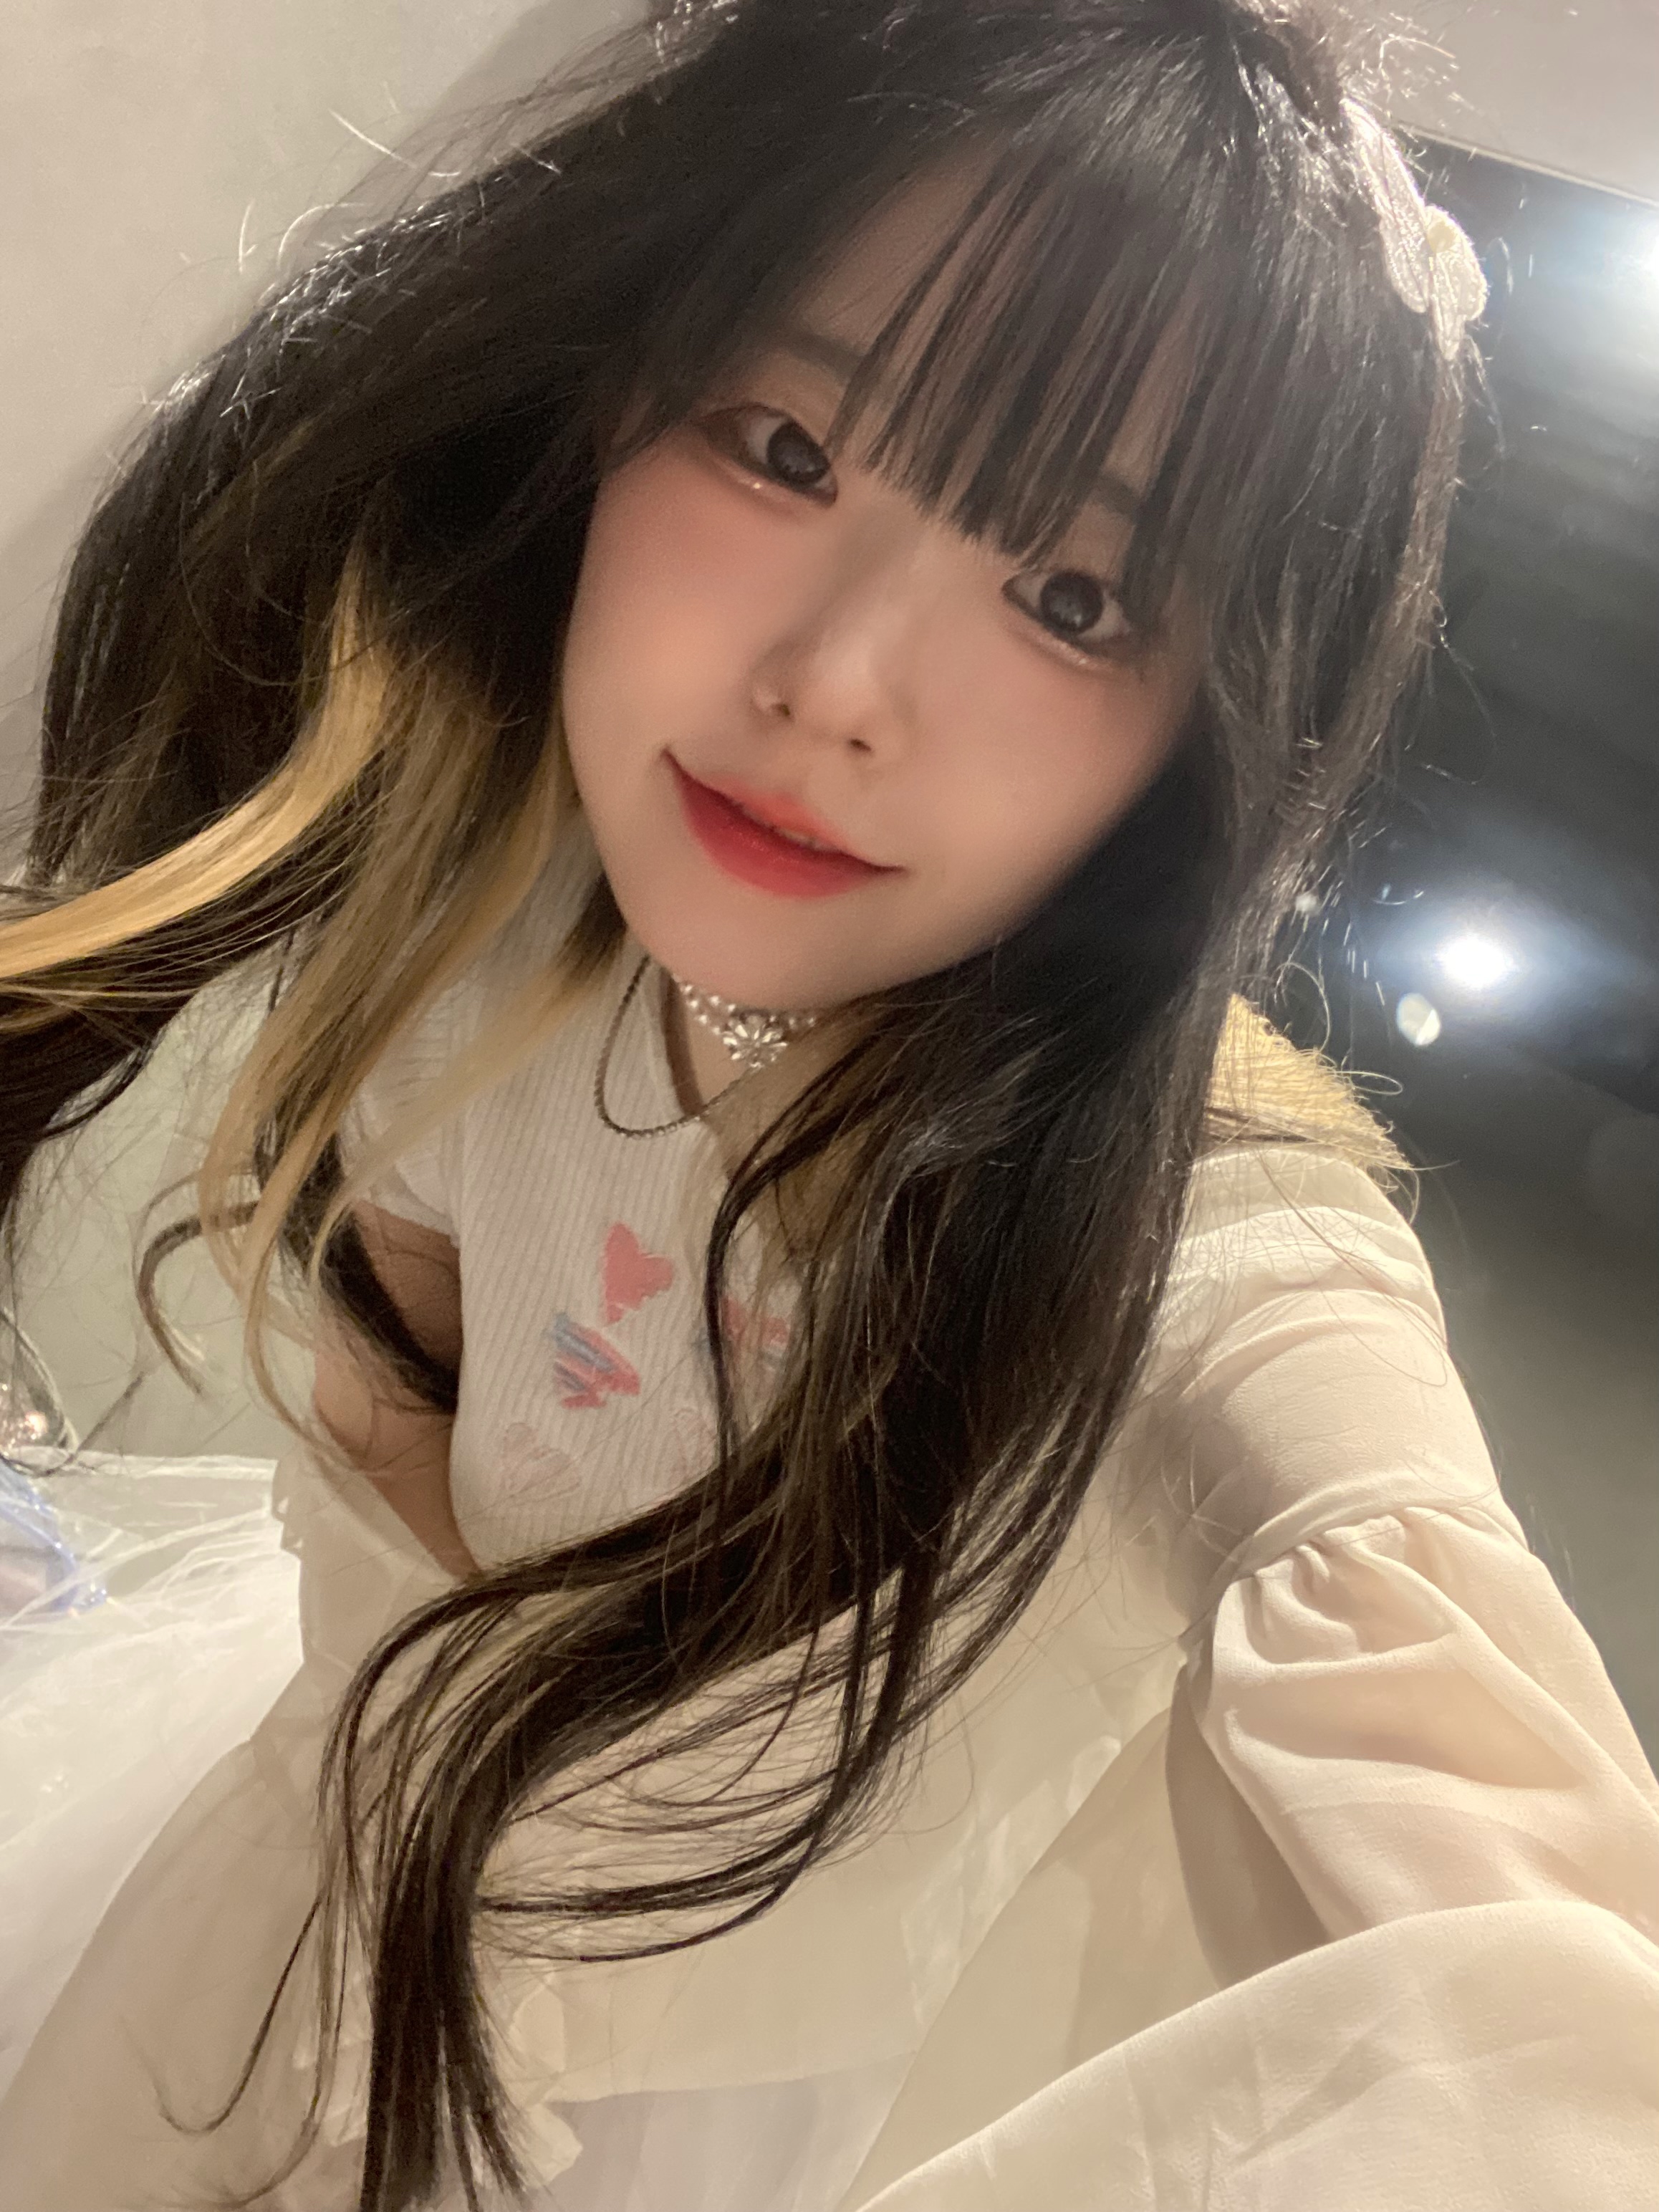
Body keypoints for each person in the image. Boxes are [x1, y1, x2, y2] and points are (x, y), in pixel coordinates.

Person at [1, 0, 1657, 2204]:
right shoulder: (504, 894)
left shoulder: (1201, 1246)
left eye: (1068, 595)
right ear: (608, 394)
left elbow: (1543, 2012)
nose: (836, 687)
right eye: (784, 447)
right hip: (276, 1900)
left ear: (1207, 735)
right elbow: (414, 1313)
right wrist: (412, 1692)